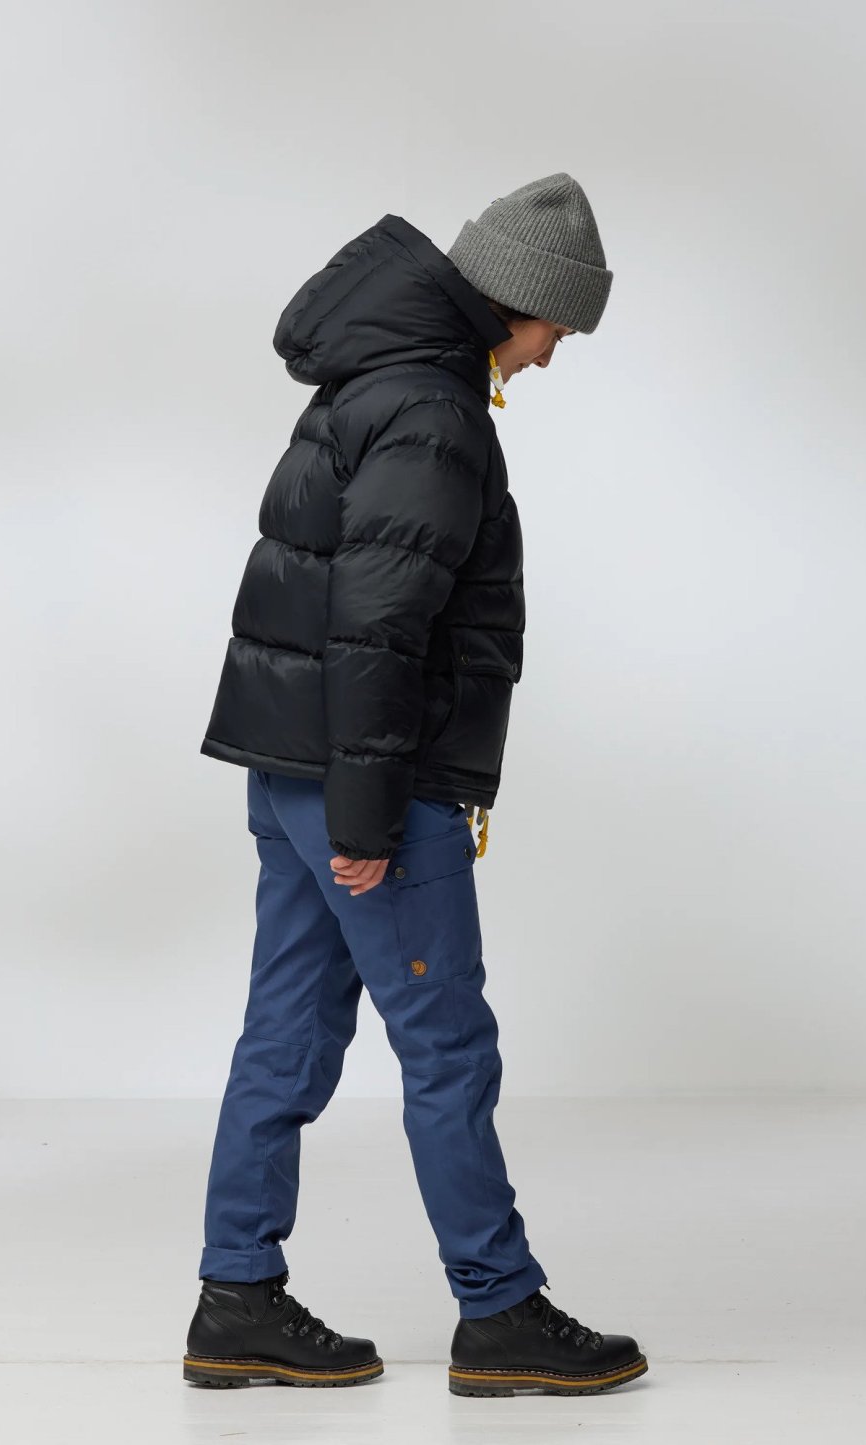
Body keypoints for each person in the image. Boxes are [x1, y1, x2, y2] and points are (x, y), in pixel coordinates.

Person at [185, 173, 646, 1398]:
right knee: (447, 1048)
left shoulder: (374, 376)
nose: (551, 354)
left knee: (285, 1034)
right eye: (556, 327)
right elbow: (378, 626)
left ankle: (236, 1298)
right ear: (514, 301)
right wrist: (369, 818)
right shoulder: (435, 410)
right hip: (365, 782)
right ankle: (497, 1308)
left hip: (293, 765)